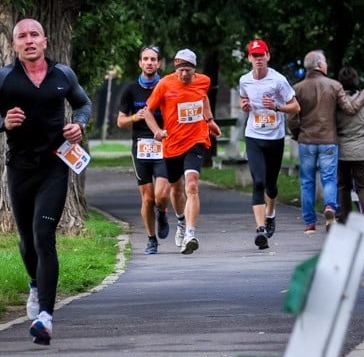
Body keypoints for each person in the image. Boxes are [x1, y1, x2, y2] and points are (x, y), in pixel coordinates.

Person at [0, 18, 92, 345]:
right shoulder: (2, 79)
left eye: (34, 34)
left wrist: (78, 124)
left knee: (43, 235)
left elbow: (83, 104)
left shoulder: (63, 75)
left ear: (45, 40)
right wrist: (2, 123)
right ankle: (35, 285)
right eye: (22, 36)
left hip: (54, 166)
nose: (29, 40)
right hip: (20, 169)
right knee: (26, 238)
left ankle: (46, 318)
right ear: (14, 45)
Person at [142, 48, 221, 254]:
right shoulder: (165, 84)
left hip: (196, 140)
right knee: (176, 191)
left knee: (192, 186)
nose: (184, 74)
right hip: (172, 144)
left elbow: (203, 97)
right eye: (180, 70)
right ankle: (180, 221)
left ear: (194, 69)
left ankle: (191, 234)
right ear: (175, 69)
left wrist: (209, 120)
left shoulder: (204, 81)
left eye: (188, 70)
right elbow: (147, 111)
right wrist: (157, 130)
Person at [293, 50, 364, 233]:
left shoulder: (298, 89)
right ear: (320, 65)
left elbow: (292, 118)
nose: (326, 65)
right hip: (328, 140)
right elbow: (350, 109)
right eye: (325, 61)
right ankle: (330, 208)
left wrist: (297, 133)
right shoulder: (334, 86)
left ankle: (310, 222)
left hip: (306, 140)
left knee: (306, 181)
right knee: (329, 179)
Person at [238, 38, 300, 249]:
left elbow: (296, 107)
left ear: (268, 56)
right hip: (254, 136)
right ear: (249, 58)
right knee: (258, 182)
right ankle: (260, 229)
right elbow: (243, 99)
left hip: (275, 138)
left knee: (271, 186)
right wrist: (244, 106)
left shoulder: (278, 80)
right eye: (254, 56)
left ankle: (270, 213)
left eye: (261, 55)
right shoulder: (244, 80)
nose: (258, 59)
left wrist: (277, 107)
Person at [116, 46, 177, 255]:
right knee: (147, 198)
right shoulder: (131, 90)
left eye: (153, 59)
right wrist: (135, 117)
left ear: (159, 63)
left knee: (161, 195)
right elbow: (120, 121)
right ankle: (151, 240)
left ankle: (163, 212)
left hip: (164, 145)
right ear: (140, 63)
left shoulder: (167, 86)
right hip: (141, 148)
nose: (149, 62)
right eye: (145, 59)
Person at [334, 66, 364, 222]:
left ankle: (345, 217)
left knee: (343, 186)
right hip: (363, 149)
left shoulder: (337, 103)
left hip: (342, 150)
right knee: (363, 186)